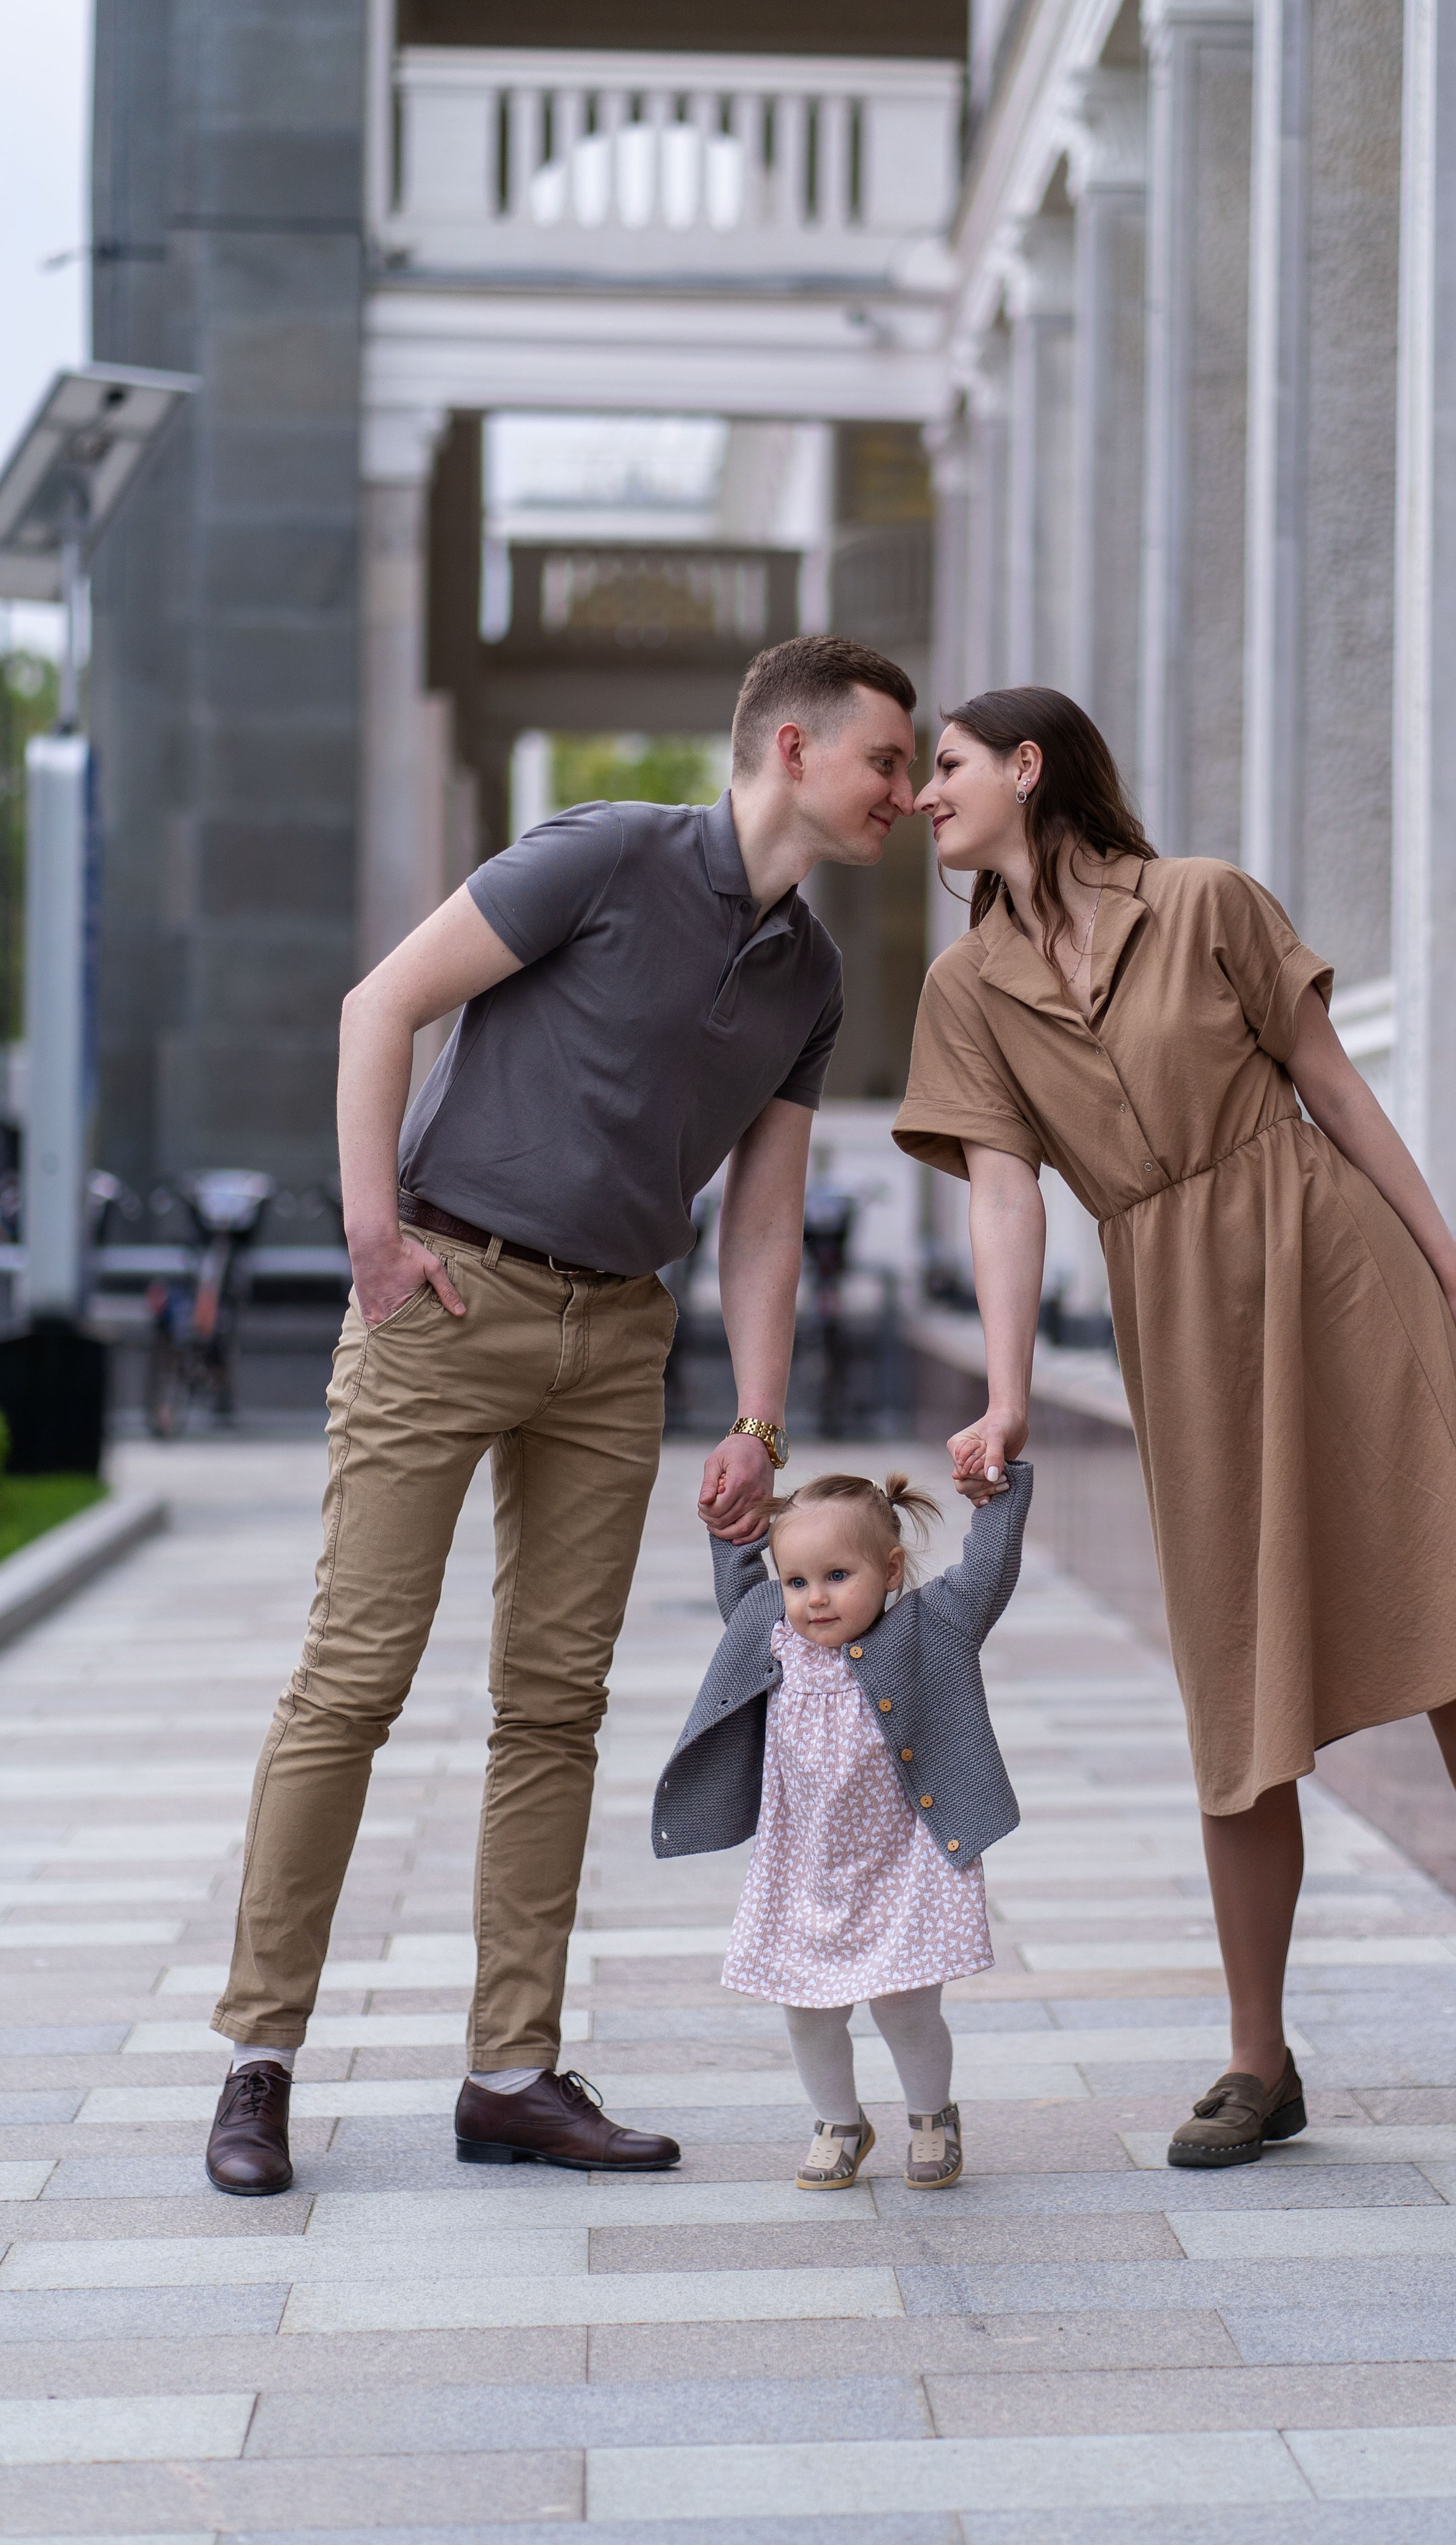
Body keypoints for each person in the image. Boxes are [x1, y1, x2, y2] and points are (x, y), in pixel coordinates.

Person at [203, 634, 920, 2199]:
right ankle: (257, 2060)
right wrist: (375, 1241)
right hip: (447, 1301)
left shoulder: (809, 970)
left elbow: (765, 1216)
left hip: (617, 1345)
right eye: (885, 760)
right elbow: (377, 1006)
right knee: (355, 1677)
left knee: (552, 1708)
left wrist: (759, 1419)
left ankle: (510, 2073)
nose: (907, 792)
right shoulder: (604, 856)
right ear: (789, 750)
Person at [891, 687, 1456, 2170]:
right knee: (1234, 1694)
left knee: (1447, 1636)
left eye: (948, 767)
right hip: (1182, 1325)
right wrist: (1009, 1387)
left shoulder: (1207, 902)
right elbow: (1005, 1195)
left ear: (1027, 769)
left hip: (1331, 1272)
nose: (922, 796)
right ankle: (1256, 2059)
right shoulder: (963, 990)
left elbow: (1333, 1093)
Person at [651, 1463, 1033, 2192]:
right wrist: (727, 1523)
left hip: (905, 1864)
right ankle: (838, 2122)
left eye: (836, 1576)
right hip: (805, 1870)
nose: (814, 1598)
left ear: (890, 1571)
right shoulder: (770, 1634)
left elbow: (988, 1571)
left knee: (906, 2006)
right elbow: (738, 1574)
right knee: (807, 2011)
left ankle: (932, 2118)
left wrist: (998, 1493)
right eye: (796, 1582)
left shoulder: (932, 1627)